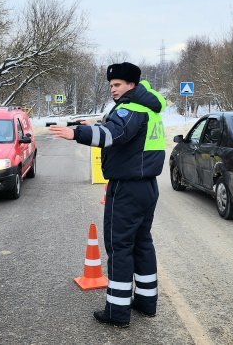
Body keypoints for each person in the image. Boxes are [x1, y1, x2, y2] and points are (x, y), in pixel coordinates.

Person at [49, 62, 166, 328]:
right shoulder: (148, 107)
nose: (113, 90)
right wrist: (94, 123)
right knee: (142, 243)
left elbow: (113, 133)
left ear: (131, 85)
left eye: (117, 85)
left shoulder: (131, 108)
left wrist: (76, 133)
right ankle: (146, 303)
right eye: (111, 85)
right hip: (146, 186)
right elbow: (126, 134)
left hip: (127, 188)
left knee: (120, 247)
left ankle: (117, 311)